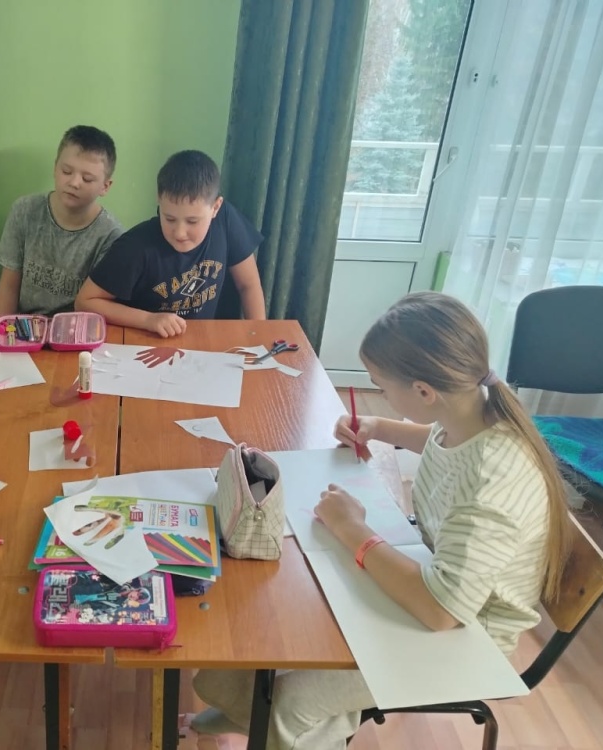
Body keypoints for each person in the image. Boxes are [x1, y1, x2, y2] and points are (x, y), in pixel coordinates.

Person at [190, 291, 571, 749]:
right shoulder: (472, 412)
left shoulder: (494, 481)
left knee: (293, 700)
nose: (382, 397)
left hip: (467, 634)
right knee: (264, 620)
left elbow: (442, 612)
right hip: (430, 572)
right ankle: (251, 718)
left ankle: (271, 725)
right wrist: (379, 427)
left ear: (424, 391)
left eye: (383, 388)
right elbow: (440, 442)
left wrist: (353, 529)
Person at [75, 149, 266, 338]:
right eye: (169, 219)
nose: (180, 233)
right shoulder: (135, 246)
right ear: (159, 200)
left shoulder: (226, 220)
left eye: (192, 221)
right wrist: (148, 320)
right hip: (145, 341)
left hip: (202, 340)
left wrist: (260, 336)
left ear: (215, 207)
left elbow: (248, 284)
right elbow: (85, 301)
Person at [0, 125, 123, 316]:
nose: (74, 183)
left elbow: (97, 307)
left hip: (76, 328)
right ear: (55, 168)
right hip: (25, 325)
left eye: (87, 178)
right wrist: (4, 328)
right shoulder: (25, 210)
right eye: (66, 171)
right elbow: (8, 286)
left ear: (105, 186)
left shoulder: (111, 236)